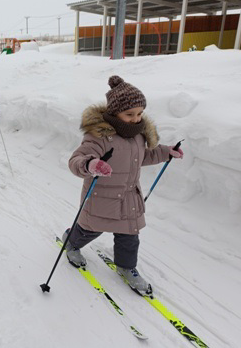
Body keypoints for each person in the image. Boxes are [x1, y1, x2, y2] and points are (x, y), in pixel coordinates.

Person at [62, 75, 184, 294]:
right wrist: (90, 164)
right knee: (90, 230)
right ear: (114, 112)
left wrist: (166, 152)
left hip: (129, 198)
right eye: (130, 114)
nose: (136, 119)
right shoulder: (99, 136)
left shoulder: (138, 135)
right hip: (101, 199)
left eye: (139, 114)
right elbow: (76, 160)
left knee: (129, 236)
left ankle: (127, 268)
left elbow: (143, 157)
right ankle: (71, 241)